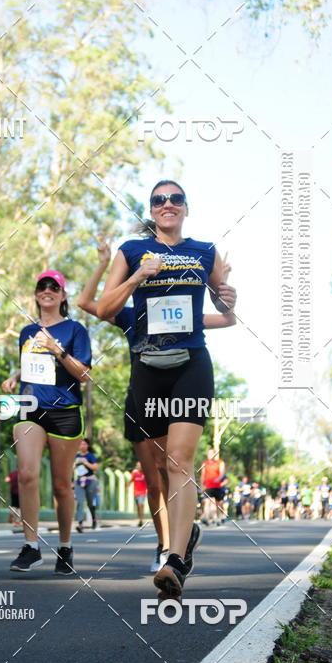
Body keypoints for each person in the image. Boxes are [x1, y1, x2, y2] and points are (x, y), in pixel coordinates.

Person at [97, 180, 236, 599]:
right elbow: (104, 309)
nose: (168, 204)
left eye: (175, 198)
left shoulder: (203, 251)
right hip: (147, 368)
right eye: (159, 200)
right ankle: (184, 535)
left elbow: (227, 313)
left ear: (186, 208)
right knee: (159, 466)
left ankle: (174, 561)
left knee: (180, 459)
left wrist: (228, 297)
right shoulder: (132, 251)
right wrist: (139, 275)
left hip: (191, 363)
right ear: (152, 211)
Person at [2, 270, 92, 575]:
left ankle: (65, 546)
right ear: (37, 293)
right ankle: (31, 546)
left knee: (61, 485)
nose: (48, 290)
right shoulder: (26, 332)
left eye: (55, 286)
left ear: (63, 296)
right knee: (26, 474)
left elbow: (83, 374)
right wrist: (16, 376)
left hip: (65, 410)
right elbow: (32, 367)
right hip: (30, 407)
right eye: (43, 286)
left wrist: (56, 348)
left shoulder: (75, 330)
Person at [74, 437, 99, 532]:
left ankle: (94, 519)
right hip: (79, 481)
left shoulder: (90, 456)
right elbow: (71, 469)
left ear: (88, 446)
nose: (82, 446)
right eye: (81, 444)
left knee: (90, 502)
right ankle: (80, 524)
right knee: (80, 502)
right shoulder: (76, 456)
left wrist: (85, 462)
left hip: (90, 481)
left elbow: (95, 467)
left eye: (84, 444)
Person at [200, 448, 226, 526]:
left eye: (211, 453)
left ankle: (218, 518)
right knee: (207, 502)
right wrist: (202, 485)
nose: (210, 455)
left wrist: (218, 479)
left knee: (218, 503)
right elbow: (202, 475)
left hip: (217, 486)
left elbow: (222, 473)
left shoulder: (220, 462)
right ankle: (207, 519)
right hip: (208, 486)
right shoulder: (205, 463)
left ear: (215, 454)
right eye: (209, 453)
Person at [131, 460, 148, 527]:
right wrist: (127, 486)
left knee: (141, 505)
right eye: (137, 465)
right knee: (138, 506)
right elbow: (131, 480)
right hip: (136, 492)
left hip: (143, 492)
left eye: (140, 466)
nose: (138, 467)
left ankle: (141, 519)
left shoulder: (145, 474)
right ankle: (139, 518)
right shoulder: (134, 474)